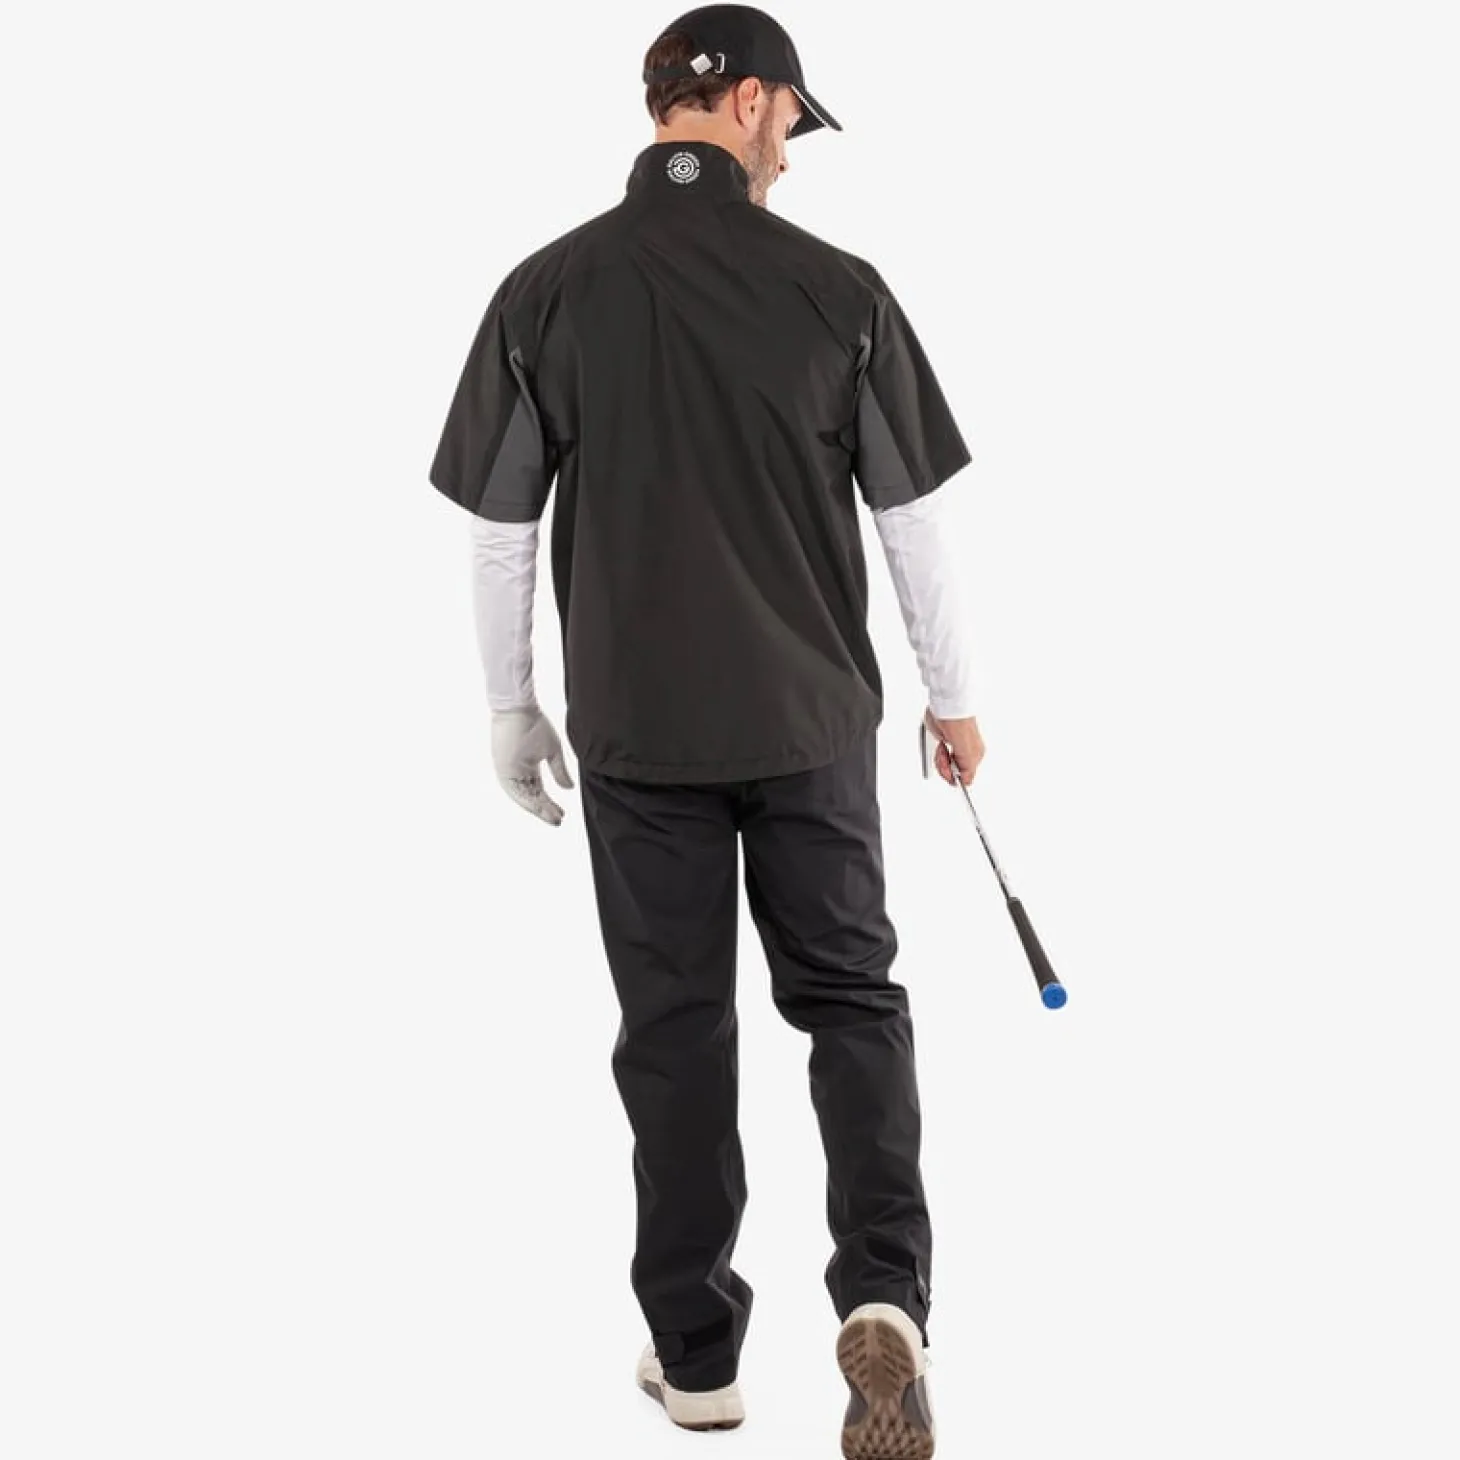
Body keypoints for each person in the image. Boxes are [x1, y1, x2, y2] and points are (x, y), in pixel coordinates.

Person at [427, 6, 984, 1455]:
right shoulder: (840, 291)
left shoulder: (546, 291)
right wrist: (953, 695)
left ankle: (697, 1357)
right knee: (851, 1004)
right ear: (743, 101)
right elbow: (913, 520)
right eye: (792, 118)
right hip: (813, 725)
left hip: (638, 736)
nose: (793, 149)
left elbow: (499, 529)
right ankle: (886, 1296)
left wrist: (510, 703)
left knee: (674, 1031)